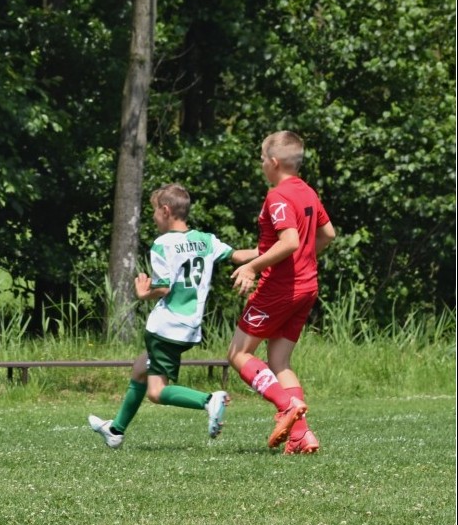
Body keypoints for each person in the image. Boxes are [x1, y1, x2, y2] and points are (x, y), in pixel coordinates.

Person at [89, 183, 257, 448]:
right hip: (189, 328)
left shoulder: (162, 245)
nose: (154, 217)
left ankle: (208, 400)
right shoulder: (206, 240)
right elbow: (237, 255)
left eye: (154, 211)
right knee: (140, 368)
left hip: (165, 327)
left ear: (166, 211)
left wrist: (144, 294)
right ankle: (116, 430)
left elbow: (164, 286)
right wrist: (269, 251)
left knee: (156, 392)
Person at [227, 130, 335, 454]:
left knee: (237, 354)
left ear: (273, 162)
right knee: (280, 360)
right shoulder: (308, 192)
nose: (261, 164)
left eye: (262, 159)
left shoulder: (277, 195)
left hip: (279, 289)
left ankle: (285, 406)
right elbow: (327, 234)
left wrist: (252, 268)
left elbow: (288, 242)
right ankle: (302, 435)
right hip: (307, 286)